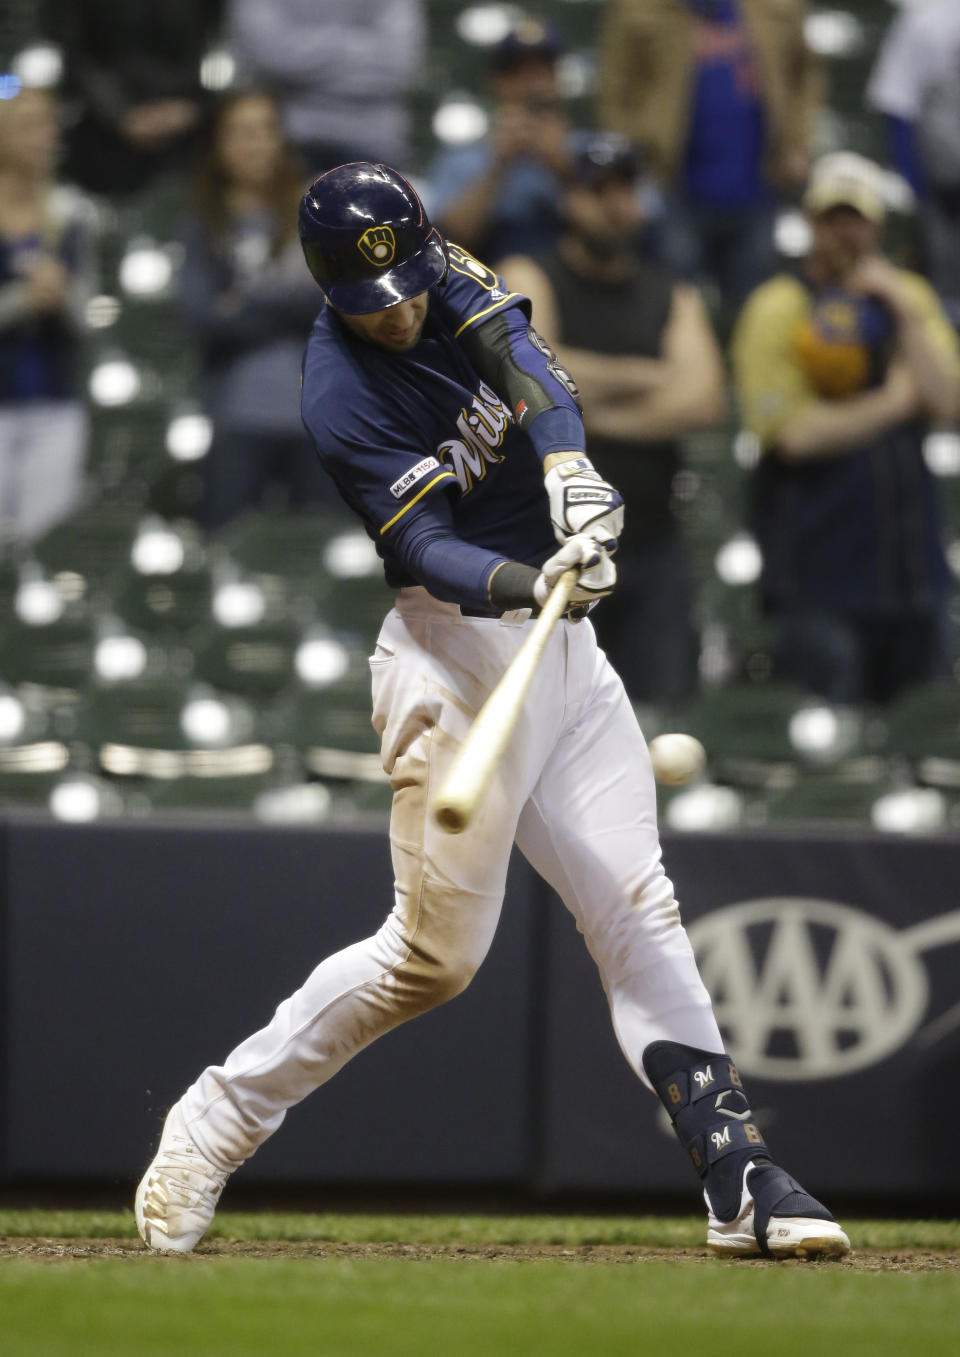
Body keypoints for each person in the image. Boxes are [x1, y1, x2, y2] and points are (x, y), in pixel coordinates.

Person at [135, 162, 850, 1261]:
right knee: (435, 959)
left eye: (412, 286)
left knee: (635, 905)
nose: (406, 308)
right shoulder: (338, 393)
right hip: (449, 649)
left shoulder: (440, 265)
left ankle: (739, 1171)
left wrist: (567, 463)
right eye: (379, 303)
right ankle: (216, 1118)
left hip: (560, 645)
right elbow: (423, 547)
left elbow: (522, 357)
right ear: (333, 294)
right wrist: (532, 578)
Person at [499, 131, 725, 704]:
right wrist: (650, 377)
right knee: (543, 724)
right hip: (543, 547)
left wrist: (578, 412)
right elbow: (529, 371)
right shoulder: (529, 274)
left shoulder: (671, 293)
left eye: (624, 189)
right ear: (568, 199)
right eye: (596, 189)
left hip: (650, 545)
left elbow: (703, 400)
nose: (612, 203)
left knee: (658, 717)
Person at [731, 152, 960, 704]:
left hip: (912, 575)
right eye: (831, 219)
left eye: (854, 219)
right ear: (810, 223)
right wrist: (895, 400)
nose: (844, 234)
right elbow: (793, 434)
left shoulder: (910, 299)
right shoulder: (778, 305)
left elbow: (949, 402)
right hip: (816, 576)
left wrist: (901, 313)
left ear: (877, 227)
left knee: (923, 737)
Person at [595, 0, 821, 312]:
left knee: (754, 308)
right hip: (673, 189)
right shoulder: (640, 9)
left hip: (756, 191)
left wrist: (796, 143)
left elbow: (806, 74)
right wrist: (636, 150)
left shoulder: (776, 8)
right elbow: (614, 87)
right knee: (672, 306)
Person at [177, 91, 333, 529]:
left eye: (266, 131)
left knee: (321, 555)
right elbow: (201, 316)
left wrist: (246, 302)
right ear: (220, 145)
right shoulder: (202, 224)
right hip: (235, 419)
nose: (256, 144)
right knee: (222, 556)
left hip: (319, 420)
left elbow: (333, 305)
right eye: (242, 133)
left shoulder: (317, 214)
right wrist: (292, 303)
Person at [0, 85, 96, 542]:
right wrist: (23, 299)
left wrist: (62, 297)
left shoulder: (72, 214)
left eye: (50, 126)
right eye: (30, 126)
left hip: (55, 407)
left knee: (43, 548)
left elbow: (89, 319)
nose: (46, 137)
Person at [426, 14, 572, 264]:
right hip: (487, 291)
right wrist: (499, 165)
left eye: (542, 71)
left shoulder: (590, 151)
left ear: (558, 79)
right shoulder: (462, 159)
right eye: (518, 73)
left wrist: (563, 167)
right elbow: (445, 244)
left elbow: (637, 228)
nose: (532, 84)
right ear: (497, 83)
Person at [42, 0, 222, 197]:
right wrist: (120, 114)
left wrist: (190, 106)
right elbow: (71, 51)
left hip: (188, 117)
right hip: (100, 123)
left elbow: (217, 39)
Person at [225, 0, 426, 175]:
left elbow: (400, 63)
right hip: (285, 140)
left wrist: (301, 64)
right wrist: (360, 46)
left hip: (374, 144)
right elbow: (267, 53)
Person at [867, 0, 960, 331]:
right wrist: (922, 191)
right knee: (942, 307)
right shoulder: (925, 22)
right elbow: (896, 105)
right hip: (944, 196)